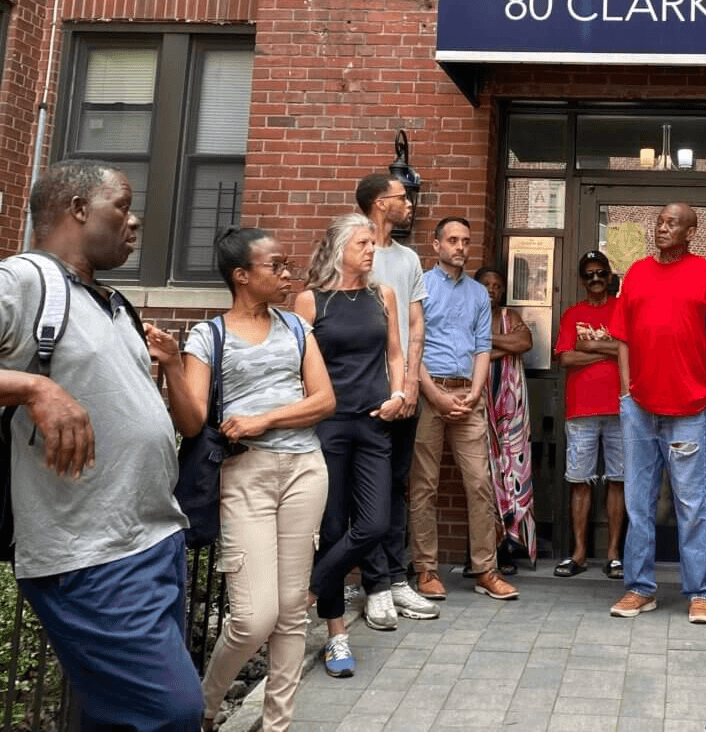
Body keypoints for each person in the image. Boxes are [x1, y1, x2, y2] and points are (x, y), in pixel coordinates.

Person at [0, 159, 204, 731]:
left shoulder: (109, 302)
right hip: (88, 553)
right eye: (122, 205)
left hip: (152, 540)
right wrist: (33, 385)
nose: (134, 221)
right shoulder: (24, 281)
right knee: (172, 712)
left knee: (117, 717)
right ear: (78, 209)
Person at [178, 226, 335, 731]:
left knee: (291, 611)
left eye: (288, 265)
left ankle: (276, 725)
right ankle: (204, 706)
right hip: (245, 475)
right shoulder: (208, 335)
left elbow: (324, 401)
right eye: (277, 266)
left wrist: (265, 419)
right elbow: (192, 418)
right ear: (241, 275)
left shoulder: (296, 329)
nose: (288, 274)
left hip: (304, 471)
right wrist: (167, 368)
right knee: (252, 617)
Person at [608, 202, 706, 625]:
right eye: (660, 221)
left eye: (672, 223)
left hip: (689, 408)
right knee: (638, 503)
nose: (662, 228)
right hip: (639, 408)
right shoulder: (637, 274)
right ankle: (640, 589)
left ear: (691, 232)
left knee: (692, 504)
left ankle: (700, 592)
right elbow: (622, 334)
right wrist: (626, 390)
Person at [294, 213, 408, 676]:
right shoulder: (310, 301)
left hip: (375, 424)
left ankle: (309, 593)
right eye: (362, 243)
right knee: (335, 527)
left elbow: (395, 354)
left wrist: (399, 394)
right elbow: (297, 366)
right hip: (329, 427)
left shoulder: (384, 296)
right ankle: (336, 637)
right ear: (339, 248)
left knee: (375, 524)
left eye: (371, 243)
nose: (370, 249)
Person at [409, 217, 519, 601]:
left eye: (465, 241)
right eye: (452, 240)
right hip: (429, 394)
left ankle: (485, 570)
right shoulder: (420, 286)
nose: (460, 246)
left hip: (468, 396)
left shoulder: (477, 293)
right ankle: (426, 570)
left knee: (480, 483)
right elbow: (411, 345)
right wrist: (434, 394)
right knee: (424, 485)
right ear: (436, 244)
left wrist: (474, 393)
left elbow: (483, 346)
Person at [354, 174, 440, 626]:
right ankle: (374, 585)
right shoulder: (349, 250)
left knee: (398, 486)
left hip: (403, 393)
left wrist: (408, 385)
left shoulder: (407, 259)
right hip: (364, 393)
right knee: (368, 491)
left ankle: (393, 578)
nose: (409, 205)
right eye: (402, 198)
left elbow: (417, 327)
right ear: (378, 203)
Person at [552, 250, 625, 580]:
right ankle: (579, 552)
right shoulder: (572, 315)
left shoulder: (623, 310)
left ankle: (612, 553)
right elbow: (565, 359)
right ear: (582, 280)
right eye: (589, 274)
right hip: (581, 410)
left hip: (621, 408)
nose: (595, 279)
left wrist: (591, 347)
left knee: (618, 480)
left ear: (610, 277)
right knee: (579, 481)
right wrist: (610, 352)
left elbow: (632, 351)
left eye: (601, 273)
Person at [475, 266, 536, 572]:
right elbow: (464, 351)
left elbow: (524, 343)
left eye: (497, 285)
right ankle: (488, 546)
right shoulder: (467, 314)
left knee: (513, 469)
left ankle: (511, 541)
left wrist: (485, 345)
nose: (492, 289)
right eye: (486, 284)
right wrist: (501, 344)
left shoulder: (510, 316)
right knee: (483, 474)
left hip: (510, 408)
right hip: (479, 402)